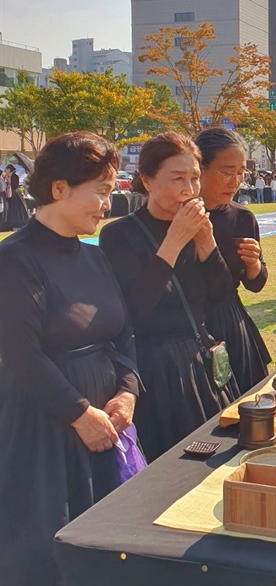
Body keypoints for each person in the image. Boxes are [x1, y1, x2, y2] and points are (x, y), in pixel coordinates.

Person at [0, 133, 140, 586]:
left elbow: (122, 332)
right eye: (101, 190)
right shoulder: (14, 259)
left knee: (109, 545)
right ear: (59, 189)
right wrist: (80, 414)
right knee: (49, 551)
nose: (109, 202)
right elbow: (20, 355)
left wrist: (128, 389)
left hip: (108, 419)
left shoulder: (95, 258)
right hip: (45, 425)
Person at [99, 133, 239, 462]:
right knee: (172, 466)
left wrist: (206, 241)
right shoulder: (119, 234)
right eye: (177, 179)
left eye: (193, 178)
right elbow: (136, 308)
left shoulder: (196, 226)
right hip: (156, 367)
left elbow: (221, 296)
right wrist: (174, 242)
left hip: (202, 360)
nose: (189, 189)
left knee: (220, 457)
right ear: (147, 180)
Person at [195, 128, 271, 393]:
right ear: (199, 169)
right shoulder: (179, 217)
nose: (235, 181)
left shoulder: (243, 218)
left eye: (240, 173)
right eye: (227, 173)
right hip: (191, 329)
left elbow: (256, 284)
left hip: (232, 320)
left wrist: (254, 266)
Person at [4, 163, 30, 229]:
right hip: (15, 194)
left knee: (15, 208)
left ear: (9, 169)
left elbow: (13, 185)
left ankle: (16, 222)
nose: (5, 170)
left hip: (14, 194)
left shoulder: (14, 176)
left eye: (6, 169)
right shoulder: (12, 176)